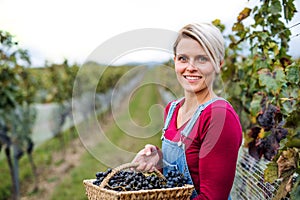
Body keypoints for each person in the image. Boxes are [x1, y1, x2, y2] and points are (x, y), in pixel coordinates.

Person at [132, 23, 243, 200]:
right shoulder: (172, 110)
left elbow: (212, 198)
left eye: (202, 59)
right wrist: (159, 160)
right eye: (183, 58)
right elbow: (179, 177)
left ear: (218, 64)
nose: (191, 67)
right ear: (175, 61)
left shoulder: (219, 117)